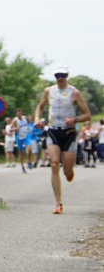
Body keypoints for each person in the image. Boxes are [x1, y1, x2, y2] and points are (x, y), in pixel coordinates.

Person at [34, 64, 91, 214]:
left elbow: (87, 115)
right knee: (53, 165)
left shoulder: (75, 93)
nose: (60, 78)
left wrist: (74, 119)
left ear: (67, 76)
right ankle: (58, 203)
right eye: (57, 76)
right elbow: (40, 107)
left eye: (62, 75)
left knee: (66, 171)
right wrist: (37, 119)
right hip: (53, 131)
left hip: (69, 133)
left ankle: (69, 172)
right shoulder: (49, 91)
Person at [10, 108, 29, 174]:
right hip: (19, 137)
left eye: (21, 113)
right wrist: (16, 128)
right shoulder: (15, 120)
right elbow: (10, 129)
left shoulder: (25, 118)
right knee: (21, 152)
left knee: (29, 148)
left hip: (26, 136)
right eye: (18, 113)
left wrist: (28, 130)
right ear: (16, 113)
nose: (20, 115)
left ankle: (29, 162)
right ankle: (22, 166)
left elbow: (27, 125)